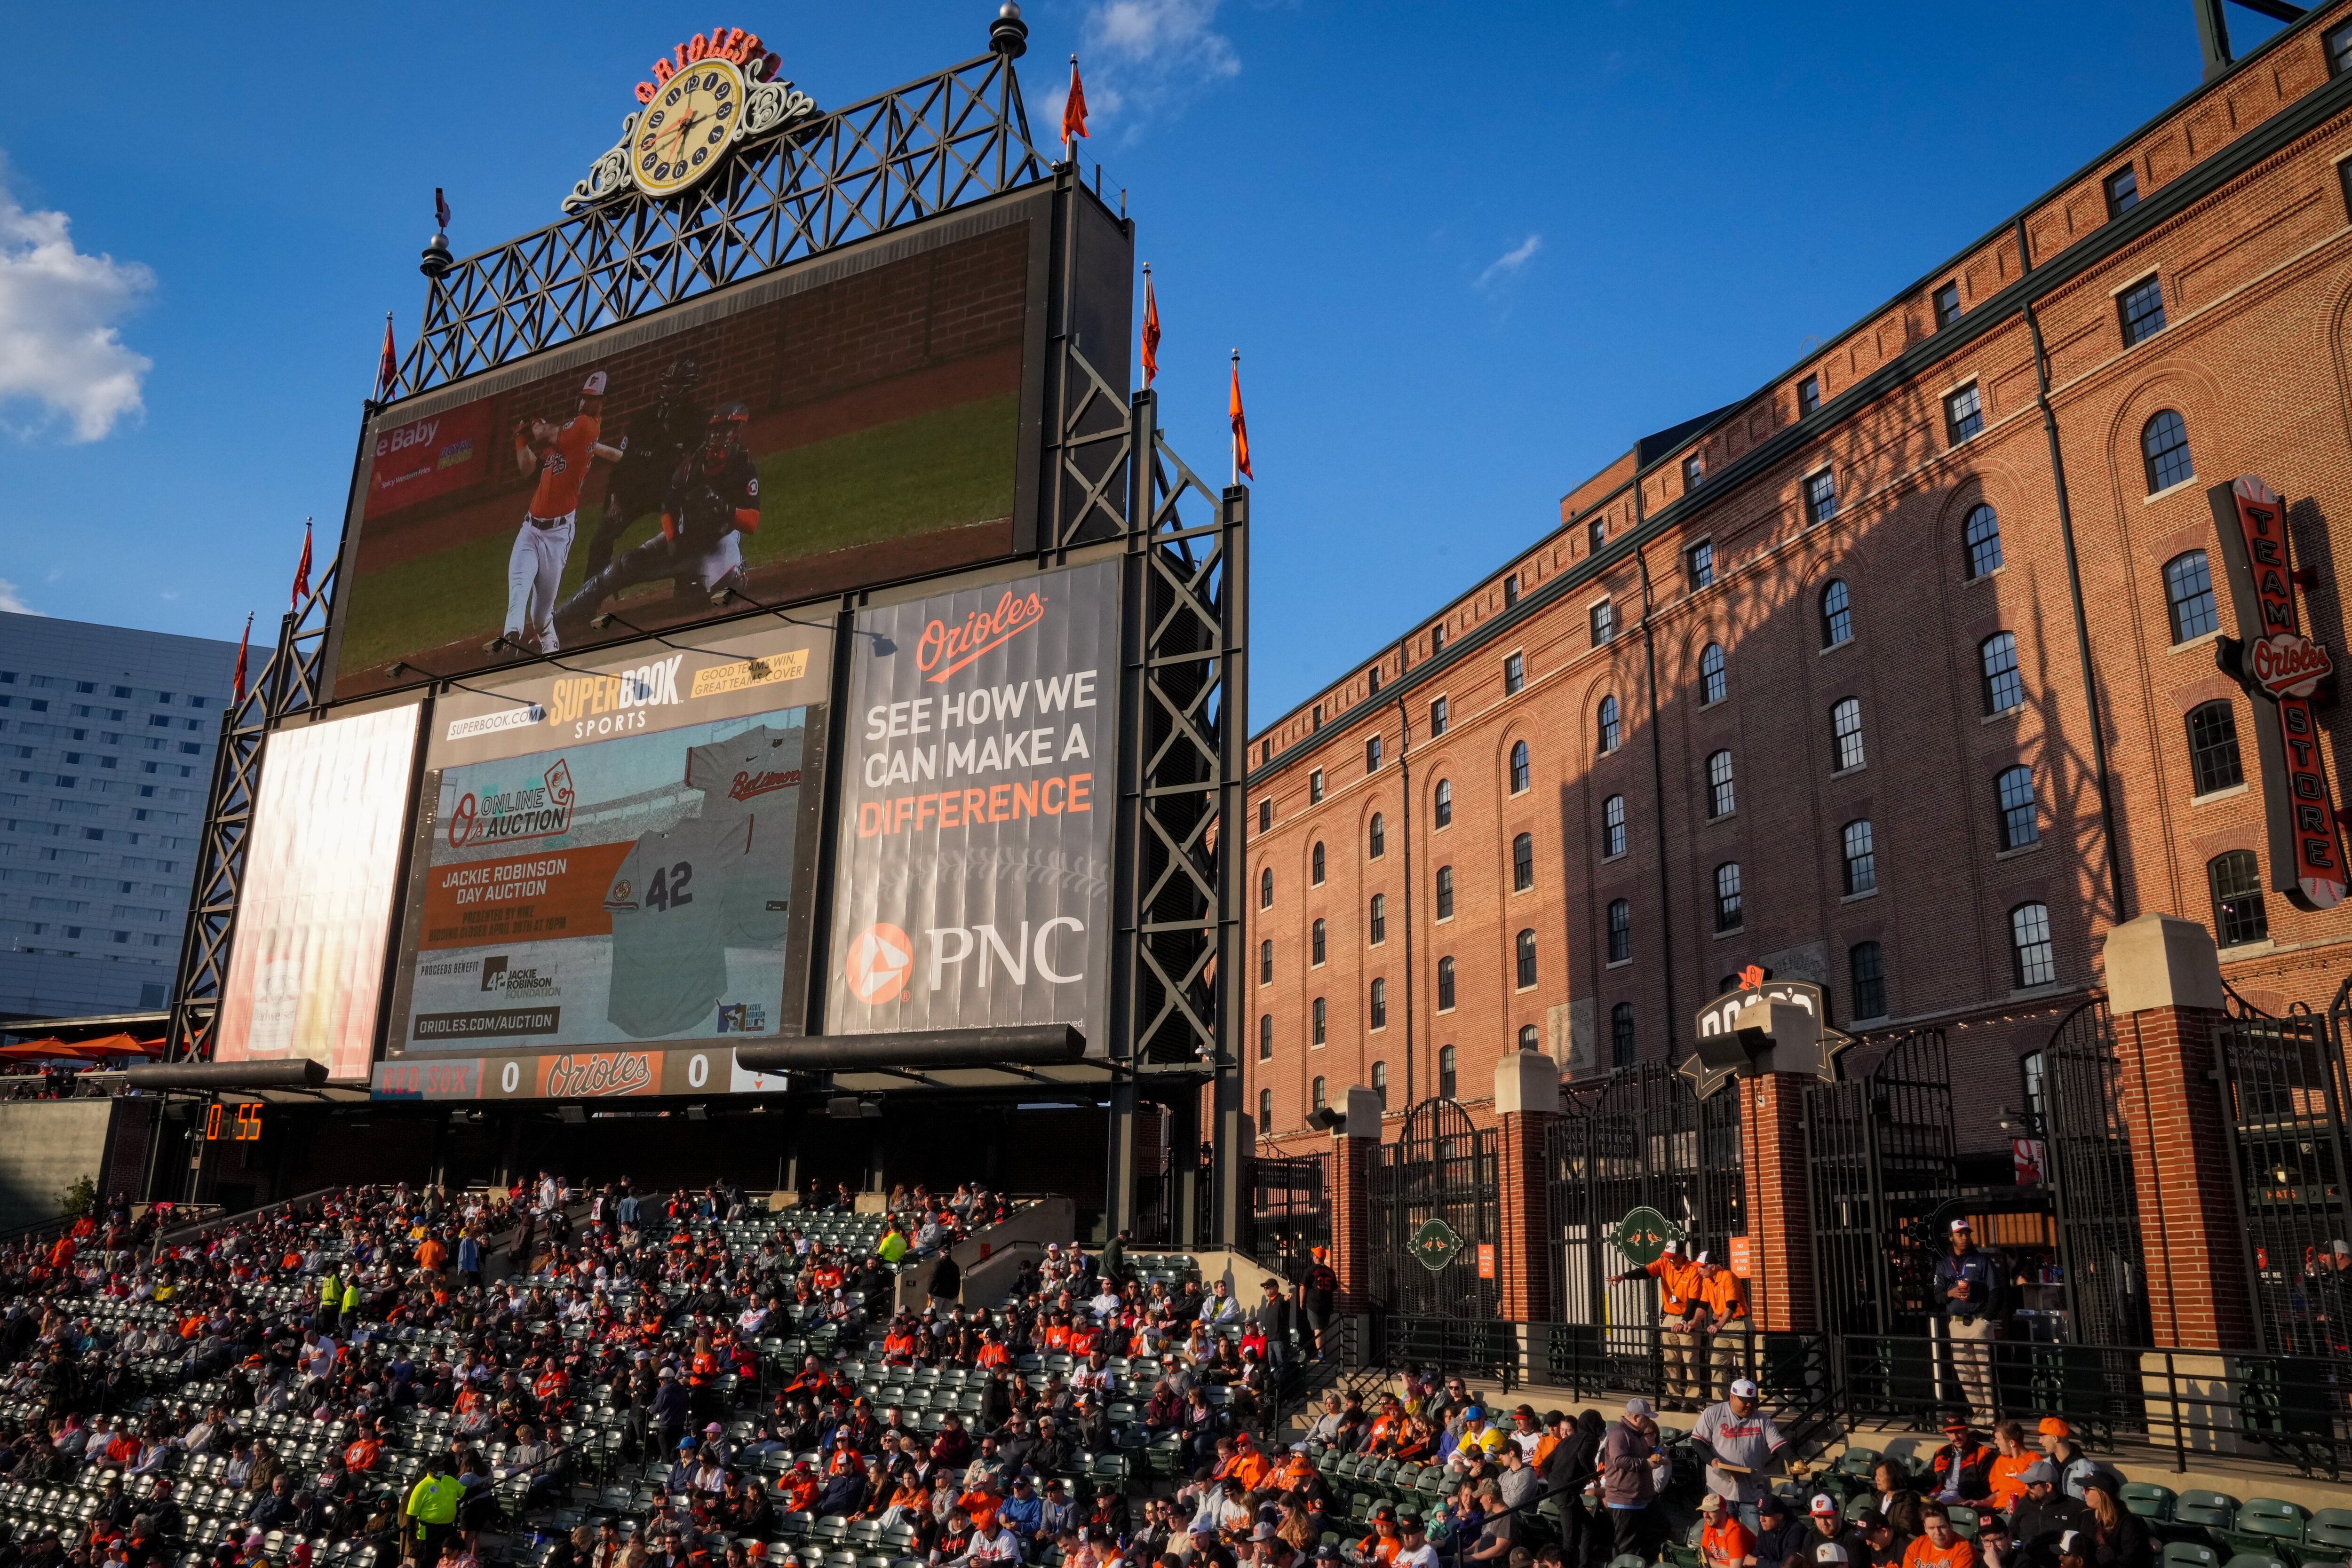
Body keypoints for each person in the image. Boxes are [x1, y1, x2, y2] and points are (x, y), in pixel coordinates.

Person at [498, 371, 620, 657]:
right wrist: (521, 440)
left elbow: (546, 433)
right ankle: (511, 640)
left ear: (602, 404)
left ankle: (549, 639)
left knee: (541, 615)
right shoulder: (567, 439)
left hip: (557, 535)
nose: (585, 403)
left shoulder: (586, 428)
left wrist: (535, 425)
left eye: (592, 399)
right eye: (585, 398)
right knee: (518, 589)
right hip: (530, 529)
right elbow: (528, 469)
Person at [1691, 1378, 1804, 1533]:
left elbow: (1778, 1443)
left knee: (1756, 1533)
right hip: (1721, 1487)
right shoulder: (1713, 1413)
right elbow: (1697, 1442)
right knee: (1724, 1534)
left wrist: (1794, 1460)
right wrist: (1711, 1460)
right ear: (1732, 1397)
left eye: (1752, 1401)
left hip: (1751, 1488)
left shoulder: (1762, 1420)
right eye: (1745, 1401)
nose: (1750, 1405)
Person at [1613, 1243, 1705, 1411]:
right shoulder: (1664, 1263)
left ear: (1682, 1255)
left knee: (1691, 1361)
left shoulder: (1693, 1271)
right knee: (1670, 1361)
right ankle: (1674, 1398)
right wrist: (1623, 1277)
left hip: (1687, 1320)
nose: (1668, 1260)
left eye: (1672, 1257)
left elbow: (1694, 1301)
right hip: (1670, 1318)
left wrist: (1685, 1322)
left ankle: (1692, 1400)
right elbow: (1646, 1272)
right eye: (1666, 1257)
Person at [1932, 1220, 2000, 1423]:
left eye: (1967, 1234)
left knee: (1986, 1374)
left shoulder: (1982, 1261)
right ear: (1951, 1237)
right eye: (1960, 1234)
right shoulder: (1944, 1265)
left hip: (1979, 1323)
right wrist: (1950, 1293)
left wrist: (1986, 1320)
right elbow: (1937, 1296)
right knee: (1967, 1376)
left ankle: (1994, 1418)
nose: (1965, 1238)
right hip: (1958, 1324)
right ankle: (1980, 1420)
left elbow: (1997, 1291)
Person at [1598, 1398, 1661, 1563]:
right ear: (1636, 1418)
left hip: (1640, 1498)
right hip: (1626, 1500)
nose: (1649, 1421)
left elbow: (1637, 1454)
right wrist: (1646, 1463)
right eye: (1646, 1418)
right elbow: (1620, 1460)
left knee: (1658, 1530)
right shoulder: (1619, 1434)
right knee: (1626, 1545)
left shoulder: (1636, 1434)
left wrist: (1656, 1451)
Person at [2009, 1463, 2096, 1568]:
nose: (2026, 1488)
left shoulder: (2073, 1507)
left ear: (2048, 1487)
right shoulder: (2024, 1504)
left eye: (2031, 1485)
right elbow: (2012, 1534)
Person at [2076, 1478, 2149, 1568]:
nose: (2083, 1492)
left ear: (2103, 1494)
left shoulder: (2127, 1522)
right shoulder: (2085, 1516)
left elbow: (2130, 1559)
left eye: (2087, 1489)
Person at [1299, 1249, 1339, 1358]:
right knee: (1323, 1330)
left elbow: (1303, 1288)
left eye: (1314, 1255)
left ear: (1316, 1257)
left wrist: (1302, 1302)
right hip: (1327, 1304)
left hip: (1314, 1304)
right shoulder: (1331, 1272)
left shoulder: (1310, 1270)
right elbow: (1335, 1288)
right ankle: (1322, 1352)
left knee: (1318, 1329)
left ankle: (1321, 1355)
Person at [1901, 1509, 1974, 1568]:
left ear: (1950, 1525)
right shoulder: (1916, 1546)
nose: (1938, 1533)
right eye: (1932, 1528)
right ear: (1926, 1529)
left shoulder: (1964, 1550)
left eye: (1942, 1527)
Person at [1700, 1494, 1758, 1568]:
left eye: (1711, 1511)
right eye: (1704, 1511)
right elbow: (1706, 1557)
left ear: (1723, 1511)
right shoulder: (1709, 1526)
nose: (1706, 1516)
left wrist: (1713, 1564)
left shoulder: (1735, 1531)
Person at [1753, 1496, 1809, 1568]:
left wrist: (1757, 1562)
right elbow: (1756, 1556)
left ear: (1780, 1515)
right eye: (1760, 1515)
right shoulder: (1764, 1531)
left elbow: (1788, 1566)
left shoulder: (1797, 1532)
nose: (1761, 1520)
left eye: (1766, 1515)